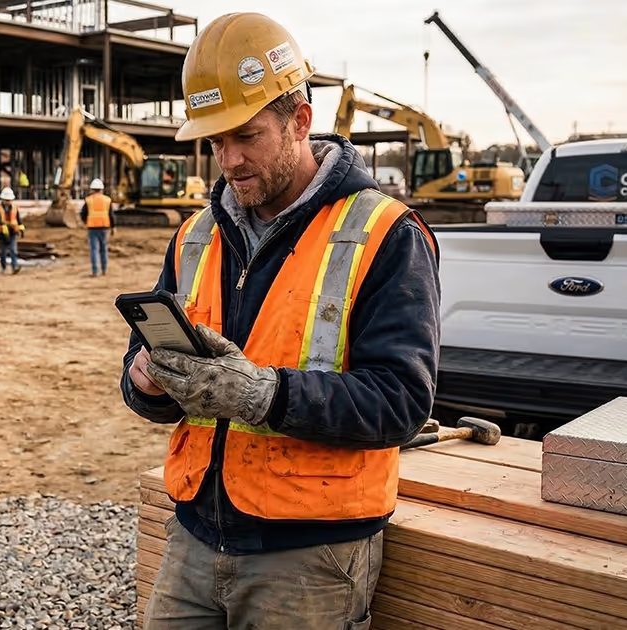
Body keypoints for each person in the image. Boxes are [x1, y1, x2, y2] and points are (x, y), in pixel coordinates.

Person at [120, 12, 441, 630]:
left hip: (309, 557)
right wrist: (146, 383)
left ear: (300, 120)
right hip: (194, 536)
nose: (229, 160)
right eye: (215, 142)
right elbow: (146, 382)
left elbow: (402, 402)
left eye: (247, 136)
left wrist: (264, 394)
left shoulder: (383, 235)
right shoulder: (195, 235)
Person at [79, 178, 114, 276]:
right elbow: (111, 215)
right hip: (104, 227)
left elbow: (83, 214)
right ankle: (104, 270)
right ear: (102, 189)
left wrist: (86, 222)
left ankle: (95, 271)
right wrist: (113, 227)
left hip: (92, 228)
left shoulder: (88, 200)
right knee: (104, 249)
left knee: (94, 250)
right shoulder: (107, 200)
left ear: (92, 189)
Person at [0, 187, 23, 274]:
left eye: (9, 200)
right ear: (2, 199)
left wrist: (21, 228)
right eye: (6, 200)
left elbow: (18, 219)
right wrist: (4, 224)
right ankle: (3, 267)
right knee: (3, 251)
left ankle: (14, 266)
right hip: (2, 233)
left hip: (12, 231)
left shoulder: (15, 208)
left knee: (13, 250)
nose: (8, 202)